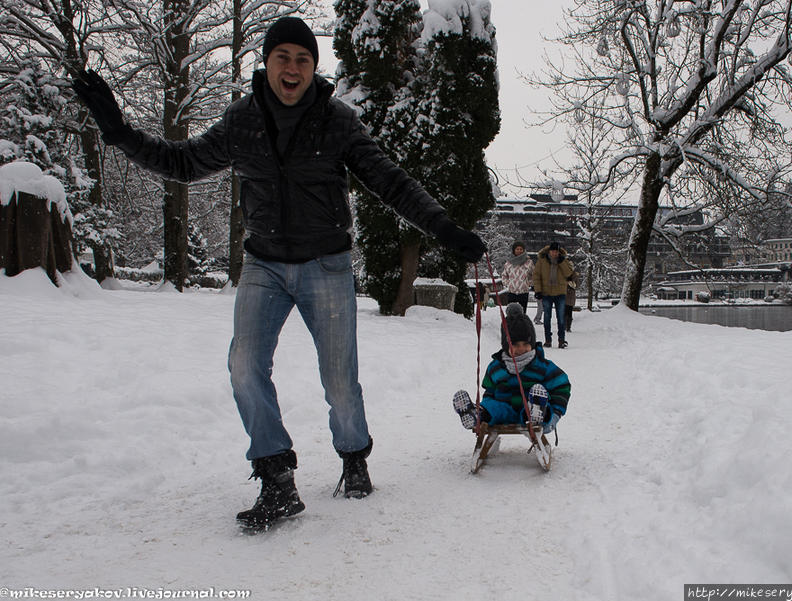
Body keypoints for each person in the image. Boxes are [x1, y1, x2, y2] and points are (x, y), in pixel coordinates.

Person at [72, 16, 486, 529]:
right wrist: (118, 132)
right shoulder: (241, 122)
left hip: (326, 264)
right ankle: (276, 479)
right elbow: (182, 163)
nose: (292, 69)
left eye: (303, 59)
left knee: (339, 380)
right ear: (266, 63)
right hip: (264, 264)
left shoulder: (337, 122)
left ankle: (353, 457)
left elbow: (391, 182)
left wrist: (445, 228)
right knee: (244, 365)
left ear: (314, 68)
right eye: (283, 57)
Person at [452, 302, 570, 431]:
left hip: (527, 412)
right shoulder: (496, 367)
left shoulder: (542, 366)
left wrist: (556, 413)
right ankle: (476, 415)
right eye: (515, 344)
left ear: (532, 342)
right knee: (493, 407)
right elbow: (490, 391)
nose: (521, 349)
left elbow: (561, 386)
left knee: (534, 405)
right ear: (506, 345)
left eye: (525, 344)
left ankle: (537, 412)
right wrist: (486, 405)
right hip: (503, 408)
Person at [532, 242, 575, 348]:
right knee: (547, 317)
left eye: (556, 251)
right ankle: (548, 339)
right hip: (546, 293)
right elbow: (536, 276)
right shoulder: (542, 261)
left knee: (561, 317)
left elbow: (569, 274)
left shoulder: (564, 261)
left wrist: (562, 262)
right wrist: (538, 291)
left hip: (560, 292)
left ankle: (561, 339)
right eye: (552, 251)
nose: (554, 253)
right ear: (549, 251)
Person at [500, 240, 533, 311]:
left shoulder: (529, 262)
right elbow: (504, 275)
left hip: (523, 291)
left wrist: (528, 283)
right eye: (517, 249)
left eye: (521, 249)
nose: (519, 251)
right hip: (512, 291)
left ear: (524, 250)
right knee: (511, 312)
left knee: (522, 313)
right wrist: (508, 283)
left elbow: (533, 275)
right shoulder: (508, 263)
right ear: (514, 250)